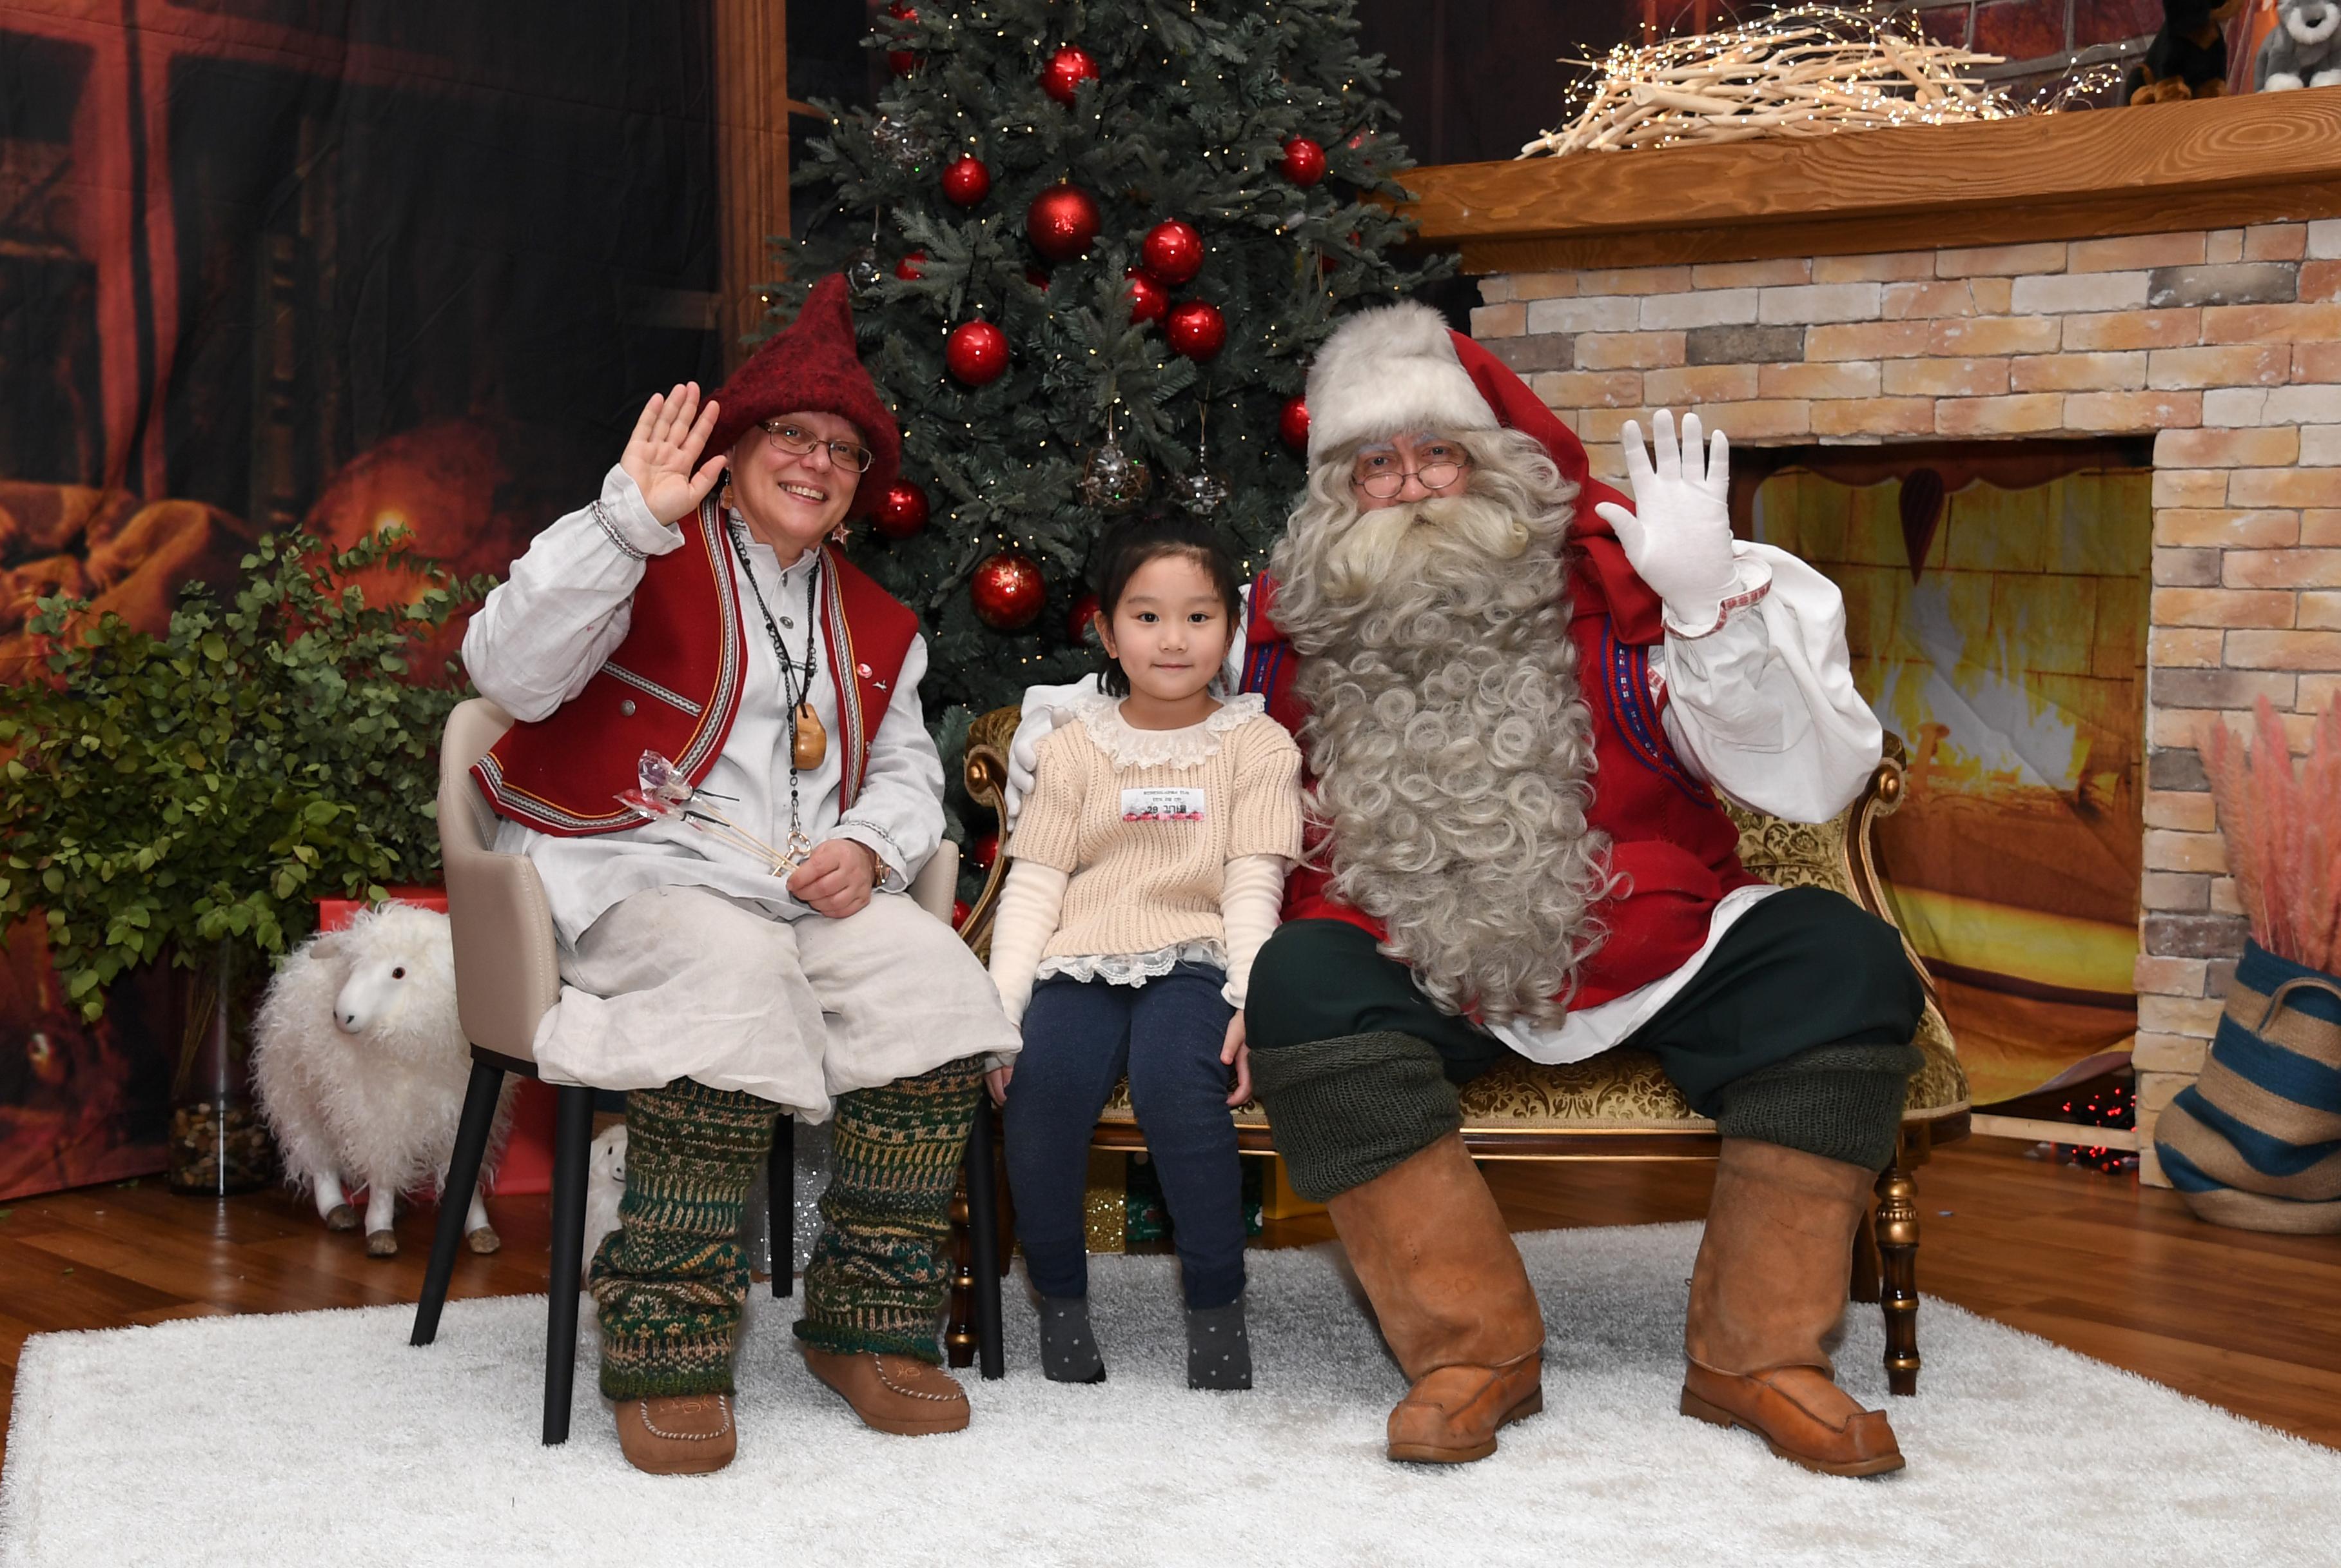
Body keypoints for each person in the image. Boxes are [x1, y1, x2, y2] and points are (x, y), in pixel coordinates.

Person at [1010, 302, 1924, 1478]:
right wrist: (1058, 753)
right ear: (1338, 496)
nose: (1413, 486)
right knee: (1301, 977)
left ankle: (1759, 1355)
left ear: (1494, 466)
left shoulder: (1627, 605)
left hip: (1641, 938)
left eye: (1437, 453)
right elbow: (1140, 698)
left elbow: (1808, 780)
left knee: (1841, 959)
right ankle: (1471, 1347)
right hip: (1409, 958)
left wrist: (1705, 605)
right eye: (1376, 466)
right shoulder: (1283, 634)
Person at [460, 274, 1017, 1475]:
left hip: (798, 896)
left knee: (932, 982)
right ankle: (666, 1333)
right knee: (730, 972)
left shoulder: (879, 624)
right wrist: (624, 523)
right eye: (791, 436)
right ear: (738, 442)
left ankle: (868, 1322)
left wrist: (866, 847)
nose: (817, 463)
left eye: (843, 451)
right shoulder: (638, 547)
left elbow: (910, 774)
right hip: (632, 877)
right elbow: (506, 671)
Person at [983, 516, 1302, 1391]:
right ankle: (1061, 1304)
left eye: (1199, 617)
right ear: (1108, 631)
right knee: (1041, 1097)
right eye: (1148, 617)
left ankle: (1216, 1310)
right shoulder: (1074, 745)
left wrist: (1247, 998)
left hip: (1195, 955)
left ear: (1230, 632)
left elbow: (1250, 885)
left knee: (1178, 1090)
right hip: (1076, 960)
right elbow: (1036, 887)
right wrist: (1002, 1013)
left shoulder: (1257, 745)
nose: (1173, 639)